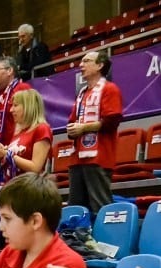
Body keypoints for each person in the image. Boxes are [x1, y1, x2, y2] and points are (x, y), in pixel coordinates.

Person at [66, 50, 123, 214]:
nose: (80, 65)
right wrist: (73, 129)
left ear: (100, 65)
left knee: (100, 207)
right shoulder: (82, 94)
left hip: (99, 158)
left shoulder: (110, 89)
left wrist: (83, 128)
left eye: (86, 61)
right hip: (77, 159)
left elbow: (112, 121)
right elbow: (72, 122)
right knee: (75, 209)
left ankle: (107, 239)